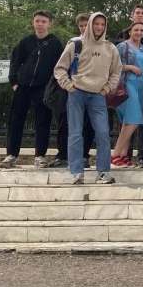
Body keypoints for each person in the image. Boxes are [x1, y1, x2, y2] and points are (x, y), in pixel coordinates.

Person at [53, 12, 122, 185]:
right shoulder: (76, 44)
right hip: (76, 93)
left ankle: (103, 172)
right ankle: (77, 172)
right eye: (96, 23)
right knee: (75, 133)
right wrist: (69, 86)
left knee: (103, 133)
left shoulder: (110, 48)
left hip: (98, 95)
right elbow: (60, 68)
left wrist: (107, 89)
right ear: (90, 24)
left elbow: (117, 70)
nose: (99, 27)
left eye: (102, 24)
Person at [0, 10, 64, 169]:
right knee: (16, 121)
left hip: (43, 87)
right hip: (23, 86)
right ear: (33, 22)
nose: (40, 24)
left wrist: (54, 86)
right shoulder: (25, 42)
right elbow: (15, 62)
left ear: (49, 24)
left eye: (43, 21)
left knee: (43, 121)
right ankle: (11, 155)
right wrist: (14, 82)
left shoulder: (55, 43)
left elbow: (59, 66)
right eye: (37, 21)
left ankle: (40, 156)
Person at [50, 14, 96, 168]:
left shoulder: (100, 44)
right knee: (65, 122)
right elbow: (63, 64)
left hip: (91, 88)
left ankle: (84, 155)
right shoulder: (73, 42)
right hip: (72, 87)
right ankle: (62, 155)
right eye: (81, 26)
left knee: (87, 124)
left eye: (86, 25)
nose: (84, 28)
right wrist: (68, 85)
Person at [111, 23, 143, 168]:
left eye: (141, 30)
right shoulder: (122, 46)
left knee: (128, 121)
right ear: (130, 31)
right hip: (127, 83)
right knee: (134, 119)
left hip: (142, 86)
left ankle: (123, 155)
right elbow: (112, 65)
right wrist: (129, 67)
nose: (138, 32)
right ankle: (115, 154)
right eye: (136, 30)